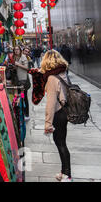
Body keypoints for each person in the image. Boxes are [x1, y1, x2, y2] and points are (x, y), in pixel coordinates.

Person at [40, 50, 72, 182]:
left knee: (60, 144)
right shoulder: (63, 73)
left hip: (58, 114)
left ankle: (67, 175)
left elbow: (51, 104)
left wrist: (48, 123)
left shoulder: (52, 78)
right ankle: (64, 172)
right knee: (61, 142)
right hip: (65, 112)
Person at [13, 46, 31, 120]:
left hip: (23, 81)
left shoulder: (23, 57)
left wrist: (18, 64)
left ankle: (26, 114)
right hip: (18, 80)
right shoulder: (15, 58)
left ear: (20, 50)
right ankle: (22, 113)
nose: (16, 51)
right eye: (15, 49)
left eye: (17, 49)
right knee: (20, 97)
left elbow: (27, 68)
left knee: (24, 97)